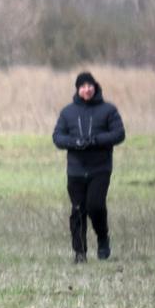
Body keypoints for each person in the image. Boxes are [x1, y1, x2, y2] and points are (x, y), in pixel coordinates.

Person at [52, 72, 126, 263]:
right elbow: (57, 137)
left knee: (95, 206)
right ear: (77, 89)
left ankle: (103, 238)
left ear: (95, 87)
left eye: (90, 85)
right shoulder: (67, 112)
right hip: (75, 169)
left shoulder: (108, 110)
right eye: (83, 86)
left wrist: (95, 140)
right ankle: (80, 253)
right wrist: (75, 142)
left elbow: (119, 134)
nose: (87, 89)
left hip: (100, 168)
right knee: (77, 210)